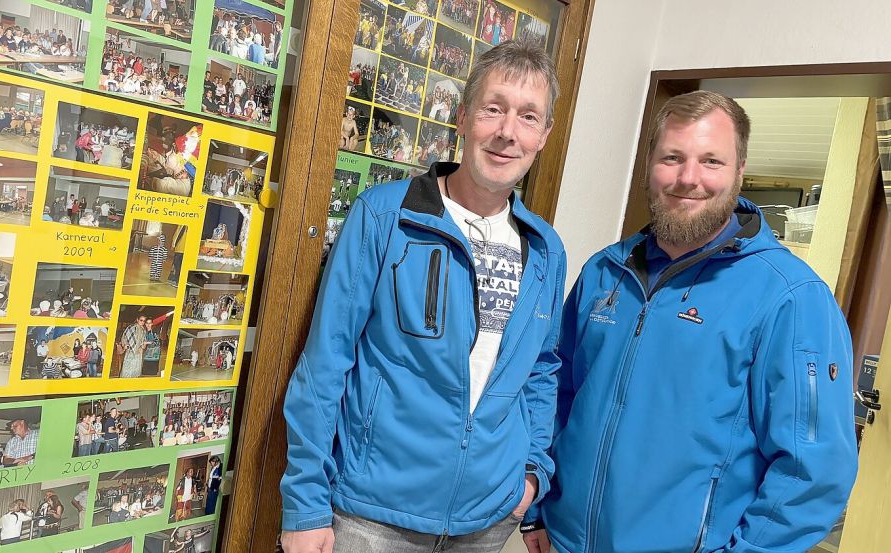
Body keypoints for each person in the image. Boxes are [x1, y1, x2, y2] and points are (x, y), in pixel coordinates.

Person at [523, 91, 857, 553]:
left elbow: (813, 471)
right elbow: (555, 396)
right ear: (649, 166)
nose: (688, 178)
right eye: (672, 157)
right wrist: (539, 509)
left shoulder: (791, 298)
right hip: (563, 541)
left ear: (740, 170)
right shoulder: (606, 272)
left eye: (711, 161)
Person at [280, 41, 564, 553]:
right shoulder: (385, 216)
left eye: (528, 117)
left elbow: (541, 371)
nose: (507, 132)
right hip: (371, 519)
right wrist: (305, 505)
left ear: (543, 136)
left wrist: (530, 478)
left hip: (486, 521)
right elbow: (325, 364)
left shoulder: (545, 248)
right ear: (462, 118)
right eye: (493, 109)